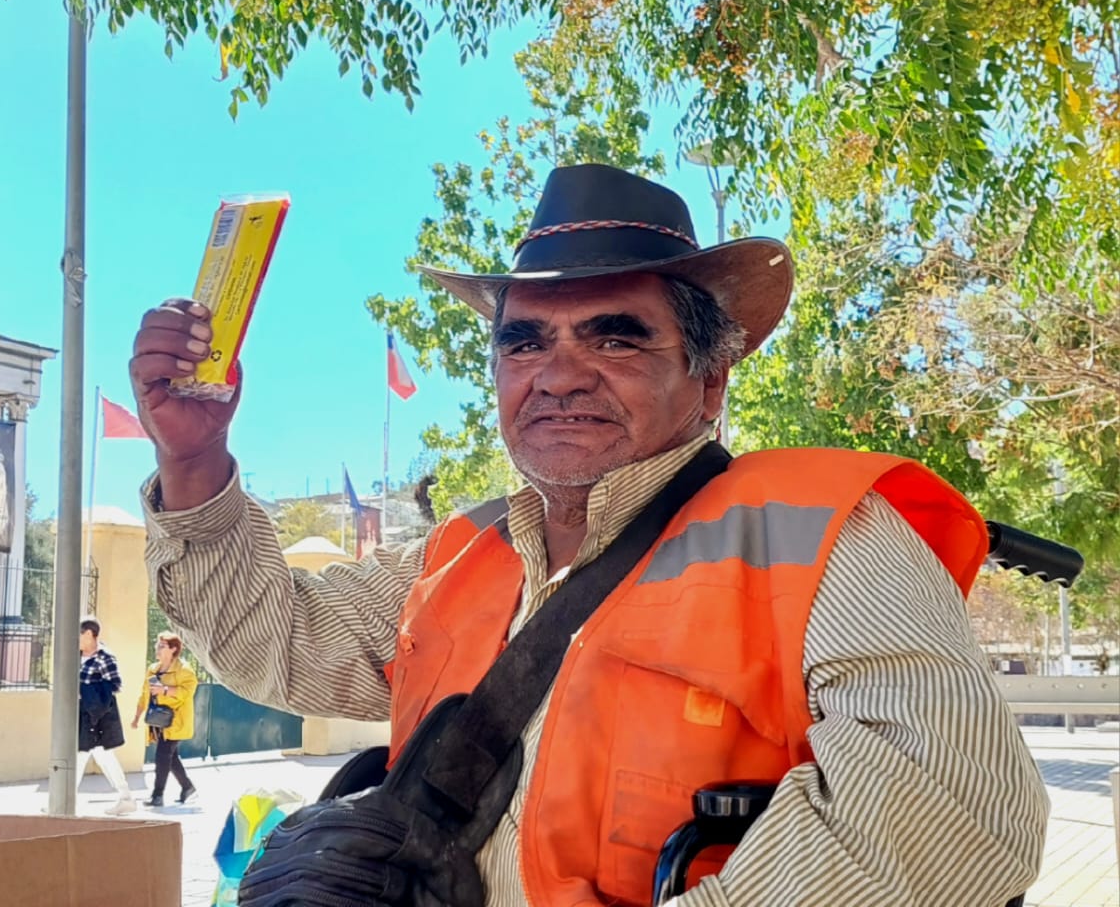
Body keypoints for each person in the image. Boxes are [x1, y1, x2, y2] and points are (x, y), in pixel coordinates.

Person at [127, 164, 1049, 905]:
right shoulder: (458, 555)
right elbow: (270, 646)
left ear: (709, 380)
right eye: (524, 343)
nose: (558, 376)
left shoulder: (826, 537)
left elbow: (954, 813)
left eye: (615, 339)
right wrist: (196, 460)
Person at [78, 616, 137, 815]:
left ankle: (65, 801)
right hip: (83, 714)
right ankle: (125, 797)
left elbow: (115, 684)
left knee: (83, 755)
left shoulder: (105, 657)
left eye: (78, 634)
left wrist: (87, 690)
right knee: (94, 756)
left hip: (97, 716)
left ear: (88, 634)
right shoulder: (77, 656)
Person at [132, 631, 198, 808]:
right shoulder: (153, 669)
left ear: (173, 649)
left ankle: (157, 795)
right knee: (170, 757)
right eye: (157, 645)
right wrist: (137, 715)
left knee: (162, 755)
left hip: (175, 721)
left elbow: (187, 692)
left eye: (162, 646)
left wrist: (165, 690)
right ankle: (187, 787)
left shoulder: (184, 670)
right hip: (158, 721)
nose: (157, 648)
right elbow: (145, 693)